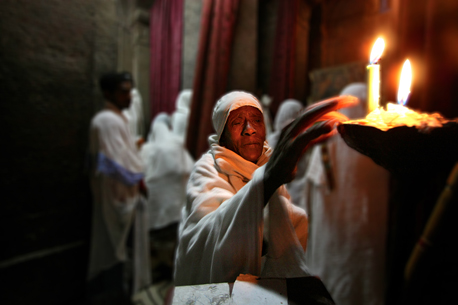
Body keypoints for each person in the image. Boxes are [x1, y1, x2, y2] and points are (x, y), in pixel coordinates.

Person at [174, 91, 357, 290]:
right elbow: (209, 240)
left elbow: (284, 225)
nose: (250, 130)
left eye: (256, 120)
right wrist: (267, 182)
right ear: (222, 136)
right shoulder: (208, 168)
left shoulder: (266, 161)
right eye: (237, 122)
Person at [304, 83, 389, 305]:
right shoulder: (379, 146)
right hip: (367, 236)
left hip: (331, 236)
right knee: (364, 282)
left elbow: (310, 190)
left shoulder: (327, 143)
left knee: (333, 285)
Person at [87, 72, 150, 300]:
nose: (129, 97)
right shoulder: (107, 121)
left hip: (122, 194)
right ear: (108, 93)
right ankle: (114, 293)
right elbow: (111, 162)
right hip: (117, 196)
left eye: (130, 91)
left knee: (119, 248)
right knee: (115, 248)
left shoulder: (116, 119)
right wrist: (138, 179)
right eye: (123, 91)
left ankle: (120, 290)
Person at [140, 112, 194, 280]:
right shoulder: (177, 143)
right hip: (177, 211)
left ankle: (157, 263)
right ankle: (172, 264)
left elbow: (139, 171)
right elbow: (190, 168)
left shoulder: (148, 149)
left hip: (155, 212)